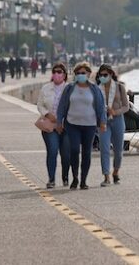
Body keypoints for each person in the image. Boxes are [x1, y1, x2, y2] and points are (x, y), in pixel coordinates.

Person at [56, 62, 107, 190]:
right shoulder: (69, 88)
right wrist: (59, 121)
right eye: (78, 73)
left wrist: (102, 122)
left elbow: (101, 107)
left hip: (89, 125)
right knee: (74, 150)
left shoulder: (95, 89)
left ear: (89, 74)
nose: (80, 75)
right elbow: (62, 105)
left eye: (83, 73)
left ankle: (83, 180)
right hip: (72, 124)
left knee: (86, 152)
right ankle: (75, 178)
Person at [36, 62, 70, 188]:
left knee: (66, 154)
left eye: (59, 72)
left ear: (65, 74)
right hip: (49, 125)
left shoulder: (69, 88)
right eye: (54, 72)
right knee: (52, 151)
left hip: (66, 126)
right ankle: (51, 179)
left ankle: (65, 177)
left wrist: (62, 119)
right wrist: (47, 114)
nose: (56, 74)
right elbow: (39, 104)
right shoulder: (46, 88)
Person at [96, 64, 129, 186]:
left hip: (118, 120)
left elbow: (126, 106)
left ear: (111, 74)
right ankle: (106, 176)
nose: (103, 77)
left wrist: (116, 112)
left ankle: (115, 172)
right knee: (104, 148)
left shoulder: (120, 87)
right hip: (103, 122)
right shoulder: (97, 89)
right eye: (101, 75)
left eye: (105, 75)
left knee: (118, 150)